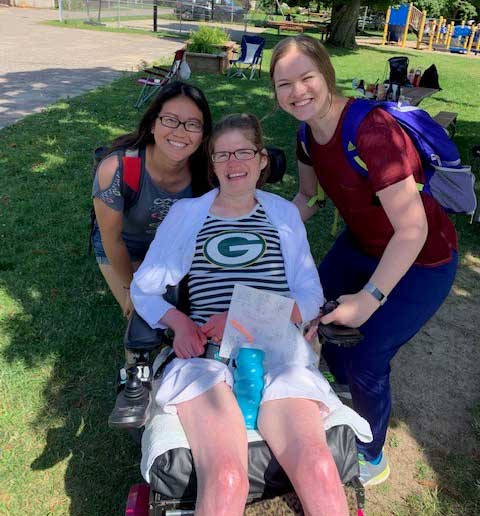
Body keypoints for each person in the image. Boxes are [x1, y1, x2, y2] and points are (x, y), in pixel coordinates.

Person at [131, 114, 371, 516]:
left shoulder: (283, 216)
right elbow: (144, 287)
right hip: (209, 357)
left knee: (318, 470)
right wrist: (180, 322)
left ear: (262, 160)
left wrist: (243, 316)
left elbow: (310, 297)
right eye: (222, 154)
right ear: (211, 164)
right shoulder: (188, 215)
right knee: (227, 477)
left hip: (277, 351)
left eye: (244, 151)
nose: (233, 163)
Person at [270, 35, 458, 486]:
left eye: (306, 78)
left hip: (424, 258)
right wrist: (261, 234)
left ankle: (371, 455)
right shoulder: (306, 136)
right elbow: (307, 197)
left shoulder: (371, 131)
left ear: (327, 74)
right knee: (316, 316)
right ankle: (341, 393)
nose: (297, 92)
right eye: (284, 84)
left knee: (368, 352)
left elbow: (412, 229)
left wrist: (370, 298)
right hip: (363, 244)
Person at [92, 81, 212, 320]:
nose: (180, 132)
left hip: (173, 248)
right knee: (142, 319)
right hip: (126, 247)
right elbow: (112, 239)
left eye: (192, 124)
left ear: (203, 134)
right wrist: (131, 288)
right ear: (152, 125)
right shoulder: (117, 169)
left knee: (190, 312)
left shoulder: (206, 170)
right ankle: (134, 358)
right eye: (170, 120)